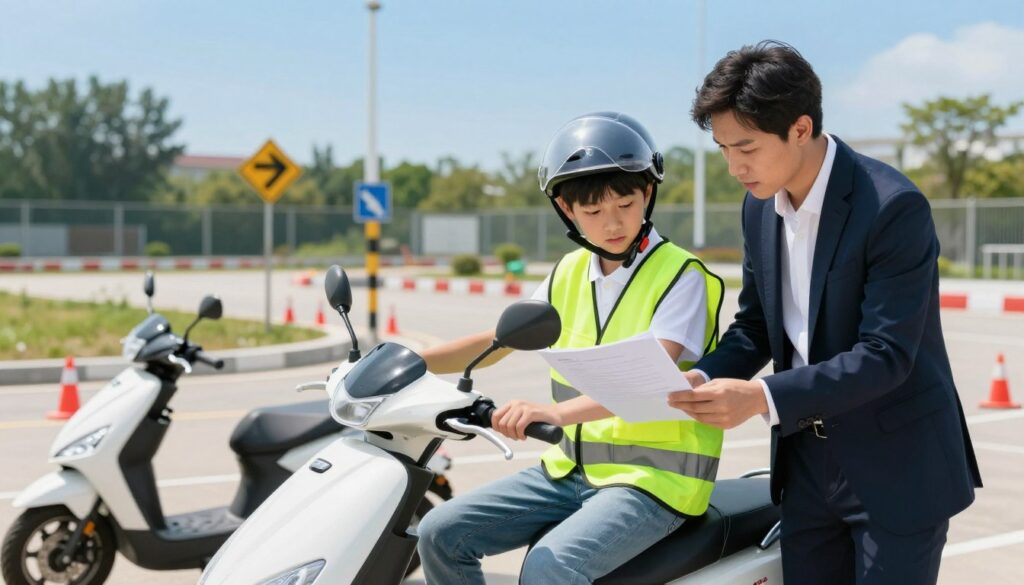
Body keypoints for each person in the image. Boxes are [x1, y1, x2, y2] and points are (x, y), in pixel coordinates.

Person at [668, 41, 982, 584]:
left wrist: (761, 398)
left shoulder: (891, 207)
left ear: (800, 127)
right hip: (805, 471)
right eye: (722, 149)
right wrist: (701, 376)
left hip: (896, 467)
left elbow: (886, 355)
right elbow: (756, 326)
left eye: (745, 147)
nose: (733, 167)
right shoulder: (758, 206)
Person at [415, 111, 725, 585]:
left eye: (625, 202)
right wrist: (411, 361)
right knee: (439, 531)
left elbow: (647, 379)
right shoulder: (569, 272)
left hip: (654, 484)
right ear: (567, 210)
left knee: (551, 565)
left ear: (647, 193)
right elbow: (501, 340)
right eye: (593, 212)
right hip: (567, 473)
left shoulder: (680, 276)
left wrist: (555, 414)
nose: (613, 223)